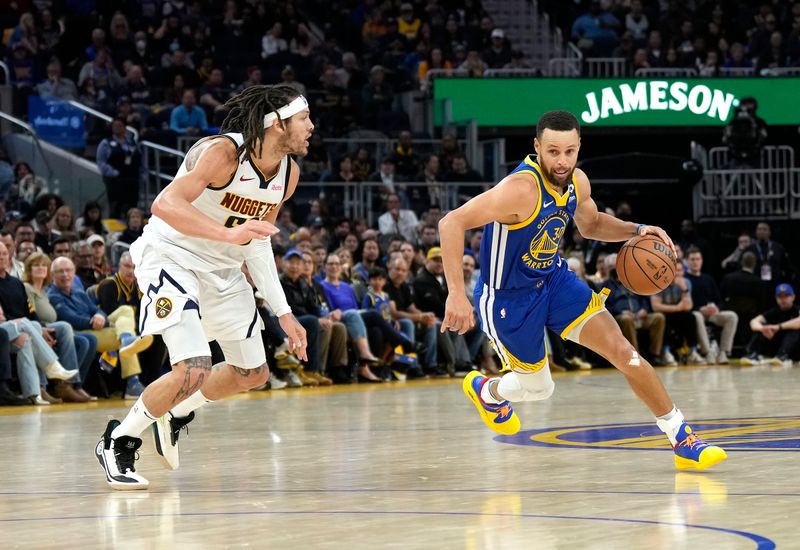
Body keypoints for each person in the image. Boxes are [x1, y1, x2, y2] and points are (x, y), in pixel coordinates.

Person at [438, 110, 726, 471]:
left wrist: (637, 230)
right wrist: (456, 294)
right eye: (553, 151)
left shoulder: (577, 182)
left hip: (555, 281)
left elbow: (590, 225)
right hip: (508, 299)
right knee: (540, 389)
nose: (562, 161)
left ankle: (681, 437)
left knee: (626, 353)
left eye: (569, 151)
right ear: (537, 147)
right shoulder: (519, 190)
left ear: (578, 148)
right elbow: (451, 222)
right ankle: (487, 391)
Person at [95, 84, 312, 490]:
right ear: (277, 124)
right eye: (304, 119)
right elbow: (164, 204)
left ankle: (175, 414)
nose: (311, 127)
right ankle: (118, 440)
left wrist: (284, 313)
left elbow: (259, 239)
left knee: (253, 372)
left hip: (223, 269)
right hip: (171, 257)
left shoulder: (289, 174)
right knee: (193, 368)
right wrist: (229, 236)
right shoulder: (221, 154)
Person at [685, 247, 738, 364]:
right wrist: (700, 309)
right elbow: (685, 304)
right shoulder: (685, 279)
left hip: (712, 313)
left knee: (732, 316)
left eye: (698, 259)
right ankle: (708, 352)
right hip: (695, 313)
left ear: (702, 261)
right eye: (692, 259)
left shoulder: (708, 278)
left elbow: (720, 300)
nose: (695, 262)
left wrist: (716, 308)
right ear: (687, 261)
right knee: (697, 316)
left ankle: (724, 352)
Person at [741, 283, 800, 367]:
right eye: (780, 296)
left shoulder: (797, 310)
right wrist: (763, 329)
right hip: (776, 345)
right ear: (776, 298)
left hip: (795, 348)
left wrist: (778, 327)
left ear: (793, 297)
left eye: (786, 296)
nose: (783, 299)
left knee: (795, 330)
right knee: (763, 327)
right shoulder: (774, 311)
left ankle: (783, 355)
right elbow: (753, 322)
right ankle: (752, 354)